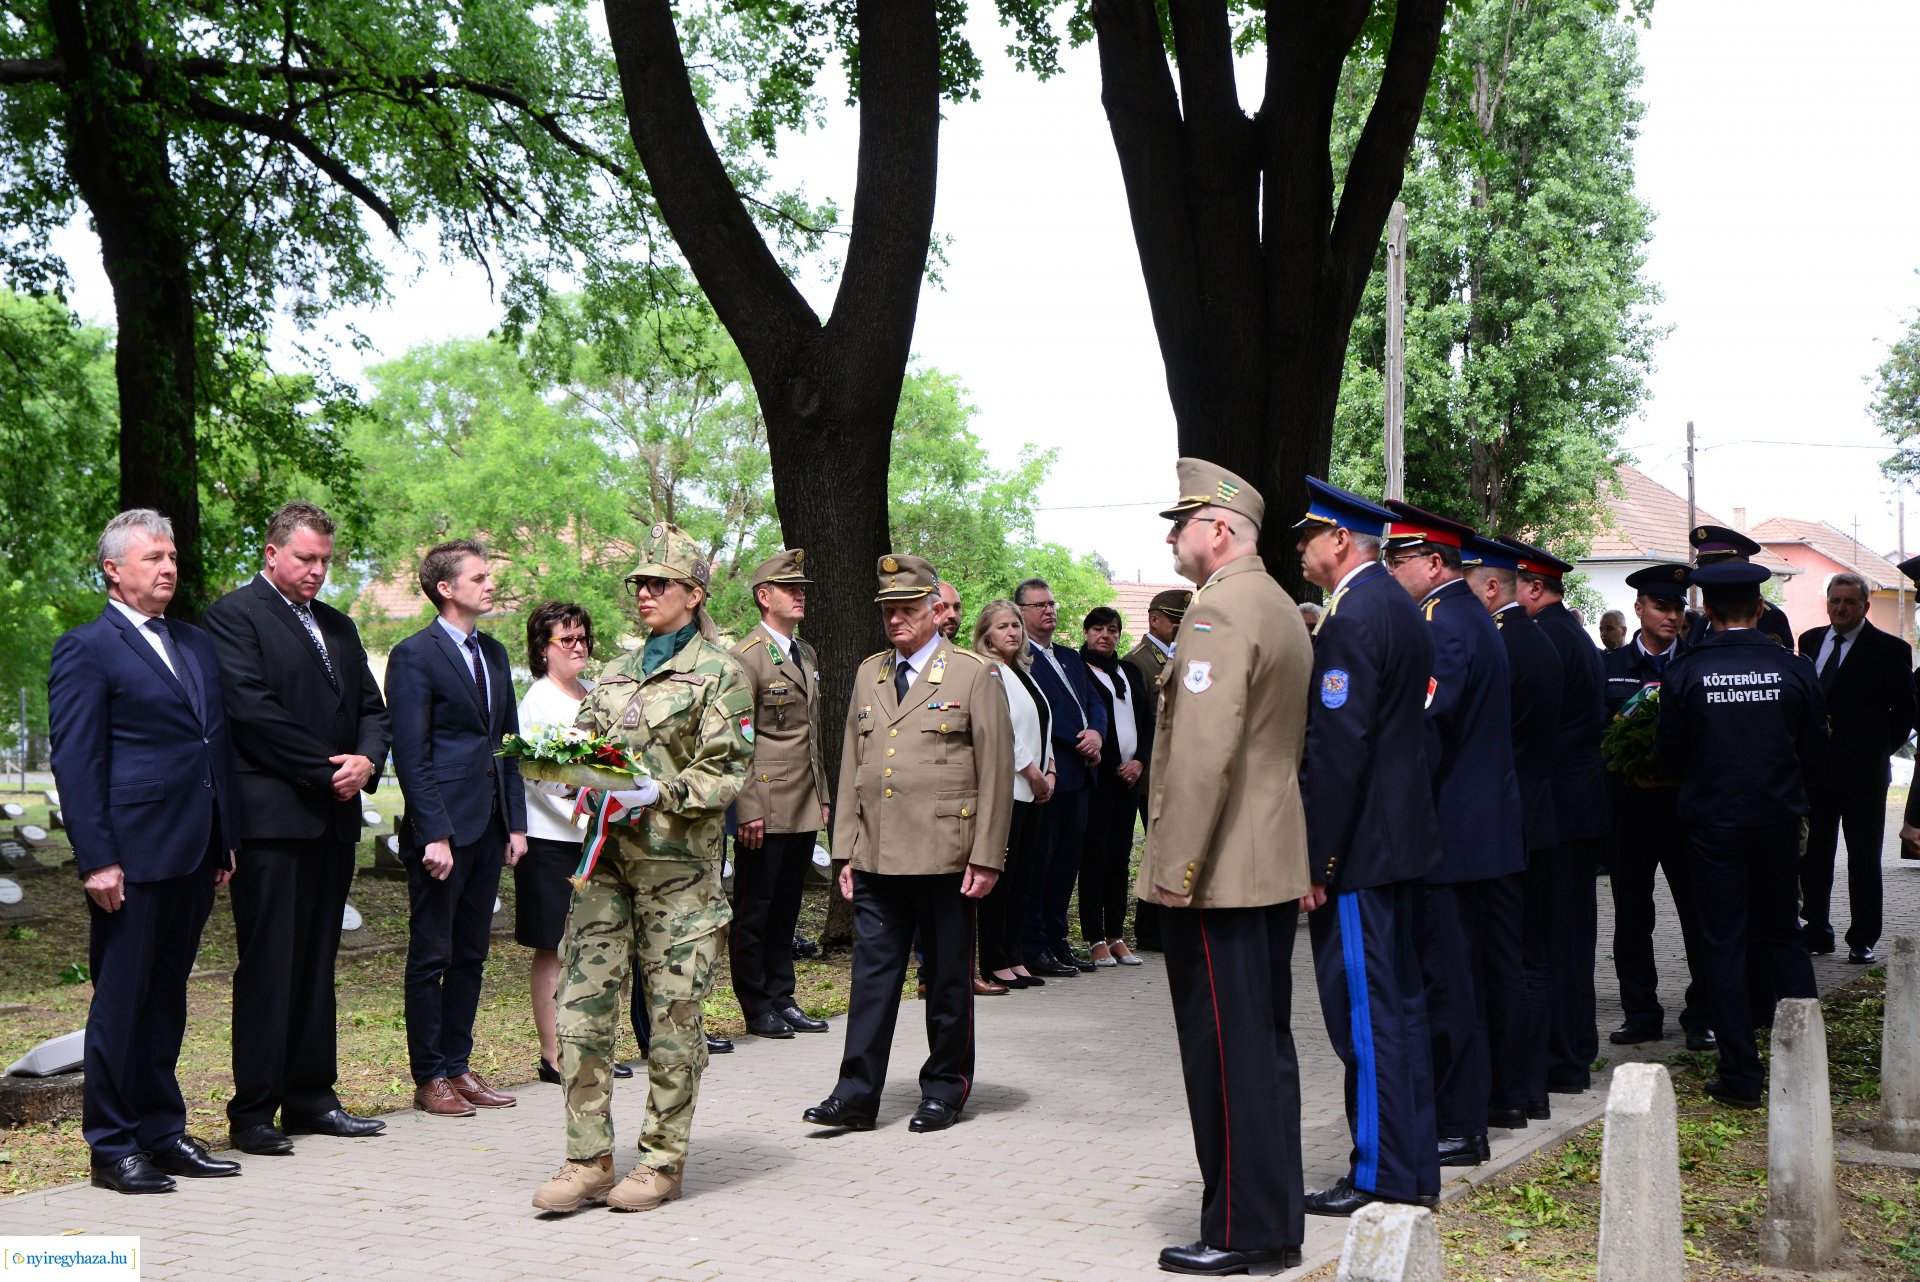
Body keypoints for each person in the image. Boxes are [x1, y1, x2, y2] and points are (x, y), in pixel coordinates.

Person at [531, 523, 755, 1213]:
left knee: (673, 1020)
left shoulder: (723, 672)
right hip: (604, 870)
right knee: (581, 1013)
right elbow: (594, 748)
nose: (645, 594)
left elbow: (727, 770)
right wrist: (568, 770)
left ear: (693, 594)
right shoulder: (617, 674)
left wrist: (660, 791)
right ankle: (587, 1160)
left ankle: (660, 1162)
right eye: (639, 584)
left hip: (677, 877)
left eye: (659, 584)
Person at [1139, 459, 1312, 1276]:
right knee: (1261, 1047)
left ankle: (1241, 1230)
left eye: (1181, 524)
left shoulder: (1218, 612)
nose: (1172, 538)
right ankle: (1270, 1220)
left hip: (1218, 871)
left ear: (1218, 530)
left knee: (1225, 1054)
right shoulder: (1276, 603)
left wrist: (1174, 870)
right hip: (1263, 860)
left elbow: (1202, 757)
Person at [49, 510, 243, 1194]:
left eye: (172, 557)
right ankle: (111, 1145)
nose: (168, 567)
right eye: (153, 557)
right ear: (113, 569)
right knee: (123, 1003)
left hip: (194, 848)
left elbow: (212, 745)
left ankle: (162, 1132)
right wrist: (96, 858)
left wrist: (225, 837)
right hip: (129, 857)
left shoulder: (190, 643)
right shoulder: (86, 648)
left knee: (167, 1001)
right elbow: (77, 762)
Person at [204, 501, 393, 1157]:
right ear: (272, 554)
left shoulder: (338, 626)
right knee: (269, 966)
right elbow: (251, 712)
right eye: (305, 559)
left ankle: (312, 1097)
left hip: (332, 823)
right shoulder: (235, 618)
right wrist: (324, 770)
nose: (316, 572)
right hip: (274, 822)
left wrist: (367, 761)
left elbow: (373, 707)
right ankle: (254, 1109)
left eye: (325, 561)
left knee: (316, 966)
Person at [803, 554, 1013, 1135]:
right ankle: (856, 1093)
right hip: (877, 856)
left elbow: (996, 773)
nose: (896, 618)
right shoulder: (871, 672)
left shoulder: (973, 674)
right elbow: (853, 764)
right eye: (888, 610)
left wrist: (987, 856)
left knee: (947, 978)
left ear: (934, 612)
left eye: (908, 608)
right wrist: (843, 850)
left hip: (948, 854)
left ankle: (946, 1087)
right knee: (872, 979)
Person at [1295, 478, 1441, 1217]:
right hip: (1396, 842)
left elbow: (1339, 751)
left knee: (1367, 1019)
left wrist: (1317, 862)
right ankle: (1410, 1166)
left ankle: (1381, 1172)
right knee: (1399, 1010)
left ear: (1340, 541)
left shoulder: (1353, 617)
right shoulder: (1398, 604)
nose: (1300, 550)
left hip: (1359, 855)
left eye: (1308, 537)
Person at [1382, 501, 1526, 1172]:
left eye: (1398, 559)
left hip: (1453, 839)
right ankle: (1487, 1104)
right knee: (1470, 976)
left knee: (1449, 985)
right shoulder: (1471, 617)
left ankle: (1459, 1122)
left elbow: (1424, 730)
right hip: (1479, 831)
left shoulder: (1445, 625)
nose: (1389, 570)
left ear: (1433, 563)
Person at [1655, 560, 1825, 1108]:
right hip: (1777, 821)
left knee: (1722, 945)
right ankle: (1804, 1066)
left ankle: (1740, 1075)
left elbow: (1669, 754)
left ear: (1706, 610)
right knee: (1784, 937)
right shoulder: (1794, 668)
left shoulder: (1686, 672)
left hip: (1713, 826)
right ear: (1758, 609)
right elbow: (1816, 752)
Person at [385, 540, 528, 1118]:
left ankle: (459, 1066)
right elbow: (411, 753)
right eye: (479, 576)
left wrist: (515, 824)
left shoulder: (492, 653)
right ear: (446, 588)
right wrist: (434, 832)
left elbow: (509, 743)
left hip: (490, 826)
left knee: (471, 954)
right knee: (432, 954)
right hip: (444, 830)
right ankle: (429, 1076)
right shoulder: (414, 655)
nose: (490, 584)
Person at [1497, 535, 1605, 1097]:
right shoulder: (1571, 634)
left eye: (1519, 588)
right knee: (1570, 938)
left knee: (1553, 940)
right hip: (1574, 806)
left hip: (1556, 809)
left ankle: (1562, 1057)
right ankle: (1573, 1049)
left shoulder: (1547, 637)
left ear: (1535, 588)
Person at [513, 600, 636, 1086]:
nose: (579, 645)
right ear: (543, 650)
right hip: (553, 839)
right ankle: (554, 1055)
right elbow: (541, 774)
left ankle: (593, 1046)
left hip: (602, 836)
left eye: (583, 636)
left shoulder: (595, 692)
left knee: (599, 945)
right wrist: (585, 800)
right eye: (567, 639)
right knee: (554, 946)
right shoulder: (537, 701)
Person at [1461, 536, 1561, 1126]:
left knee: (1502, 960)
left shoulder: (1503, 643)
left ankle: (1510, 1091)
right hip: (1535, 814)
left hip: (1503, 821)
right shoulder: (1539, 640)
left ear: (1490, 588)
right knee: (1529, 958)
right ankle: (1530, 1089)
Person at [1601, 564, 1713, 1053]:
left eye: (1679, 608)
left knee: (1698, 915)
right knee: (1631, 918)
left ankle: (1702, 1015)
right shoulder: (1608, 667)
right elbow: (1595, 738)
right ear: (1639, 610)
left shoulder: (1696, 664)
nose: (1672, 616)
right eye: (1663, 607)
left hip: (1686, 813)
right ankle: (1641, 1013)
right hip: (1629, 812)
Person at [729, 549, 833, 1037]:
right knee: (756, 909)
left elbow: (811, 735)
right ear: (763, 596)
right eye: (791, 589)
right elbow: (739, 736)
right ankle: (757, 1005)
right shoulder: (746, 657)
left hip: (803, 798)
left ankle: (782, 996)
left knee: (787, 906)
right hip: (765, 803)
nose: (801, 594)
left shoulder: (806, 652)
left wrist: (824, 796)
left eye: (803, 588)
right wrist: (746, 807)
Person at [1796, 571, 1914, 964]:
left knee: (1863, 859)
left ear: (1865, 606)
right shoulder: (1810, 641)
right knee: (1813, 857)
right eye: (1835, 601)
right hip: (1816, 774)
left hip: (1863, 776)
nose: (1841, 608)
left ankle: (1862, 937)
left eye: (1849, 602)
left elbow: (1906, 712)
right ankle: (1816, 929)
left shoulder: (1890, 650)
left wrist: (1878, 750)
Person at [1015, 577, 1106, 977]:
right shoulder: (1021, 661)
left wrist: (1097, 732)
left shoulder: (1069, 657)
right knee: (1041, 868)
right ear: (1021, 613)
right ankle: (1035, 946)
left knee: (1067, 866)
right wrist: (1079, 740)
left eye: (1051, 603)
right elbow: (1040, 715)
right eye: (1039, 605)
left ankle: (1058, 941)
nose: (1049, 610)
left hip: (1082, 780)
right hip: (1051, 777)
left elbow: (1093, 702)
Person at [973, 599, 1054, 990]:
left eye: (1016, 626)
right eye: (1003, 626)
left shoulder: (1021, 670)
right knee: (1001, 881)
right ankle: (994, 958)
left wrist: (1050, 767)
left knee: (1025, 878)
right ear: (986, 633)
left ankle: (1015, 953)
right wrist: (1034, 774)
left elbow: (1041, 723)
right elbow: (1002, 730)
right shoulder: (987, 671)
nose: (1012, 632)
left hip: (1035, 786)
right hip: (1010, 787)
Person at [1078, 605, 1148, 967]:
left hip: (1129, 779)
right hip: (1099, 779)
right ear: (1086, 633)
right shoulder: (1079, 670)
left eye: (1112, 630)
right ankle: (1094, 937)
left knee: (1120, 859)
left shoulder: (1130, 671)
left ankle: (1116, 935)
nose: (1105, 635)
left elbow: (1147, 722)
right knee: (1096, 857)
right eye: (1098, 629)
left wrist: (1140, 762)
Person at [1121, 588, 1189, 953]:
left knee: (1171, 848)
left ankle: (1167, 926)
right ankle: (1150, 931)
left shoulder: (1181, 657)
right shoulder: (1139, 662)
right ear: (1154, 619)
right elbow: (1144, 722)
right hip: (1153, 775)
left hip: (1179, 772)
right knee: (1157, 849)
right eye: (1176, 622)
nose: (1181, 629)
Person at [1685, 525, 1793, 648]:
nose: (1710, 579)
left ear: (1739, 570)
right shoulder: (1704, 619)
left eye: (1717, 572)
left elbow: (1777, 662)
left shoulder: (1769, 616)